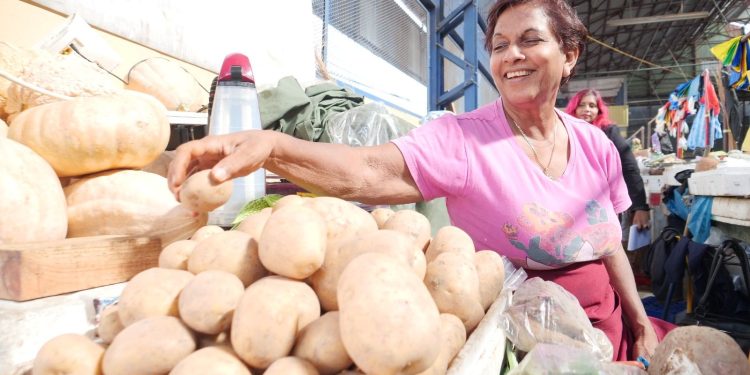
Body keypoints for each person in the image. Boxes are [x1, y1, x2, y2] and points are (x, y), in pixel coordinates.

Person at [168, 0, 673, 362]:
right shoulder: (462, 140)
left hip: (604, 327)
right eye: (499, 46)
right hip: (521, 336)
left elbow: (610, 246)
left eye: (530, 40)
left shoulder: (597, 145)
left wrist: (638, 323)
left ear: (569, 55)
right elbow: (366, 170)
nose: (511, 55)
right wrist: (274, 147)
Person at [565, 89, 651, 230]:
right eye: (581, 105)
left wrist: (640, 206)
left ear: (599, 111)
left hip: (601, 204)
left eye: (592, 106)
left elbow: (628, 166)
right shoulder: (564, 132)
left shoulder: (608, 132)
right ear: (574, 108)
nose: (587, 109)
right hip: (570, 203)